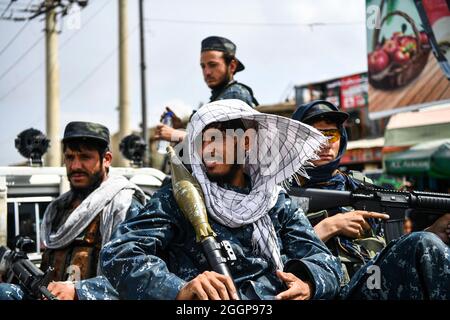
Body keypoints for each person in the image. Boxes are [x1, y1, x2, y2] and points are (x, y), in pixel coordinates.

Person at [101, 99, 343, 300]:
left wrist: (309, 284)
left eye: (217, 138)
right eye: (201, 141)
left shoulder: (275, 202)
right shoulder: (178, 199)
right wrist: (178, 289)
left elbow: (326, 262)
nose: (208, 149)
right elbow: (119, 253)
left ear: (246, 141)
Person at [292, 100, 450, 299]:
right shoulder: (281, 194)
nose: (324, 143)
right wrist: (329, 226)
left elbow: (388, 250)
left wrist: (433, 232)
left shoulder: (361, 185)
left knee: (429, 245)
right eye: (314, 136)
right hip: (327, 290)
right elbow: (273, 256)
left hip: (371, 281)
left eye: (331, 134)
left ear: (341, 138)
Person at [0, 121, 146, 300]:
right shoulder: (57, 209)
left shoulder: (123, 205)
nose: (75, 166)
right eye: (70, 157)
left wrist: (79, 291)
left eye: (85, 157)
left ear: (106, 159)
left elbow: (136, 276)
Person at [155, 36, 259, 145]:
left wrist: (176, 134)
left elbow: (224, 145)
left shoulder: (236, 95)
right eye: (203, 66)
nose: (207, 72)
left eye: (212, 65)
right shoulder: (219, 97)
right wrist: (180, 128)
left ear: (232, 66)